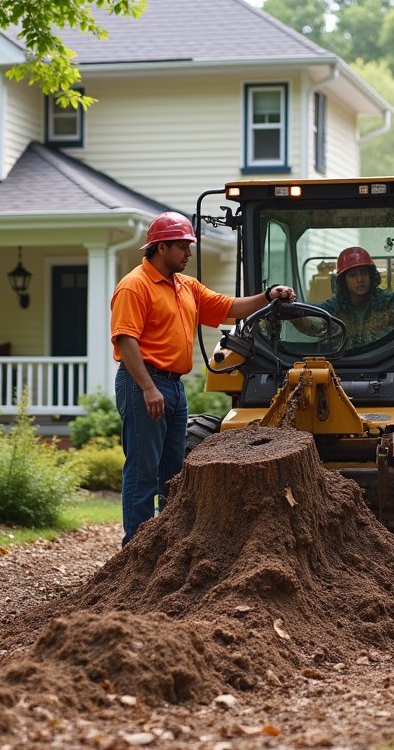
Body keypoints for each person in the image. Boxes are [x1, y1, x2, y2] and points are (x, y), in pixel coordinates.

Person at [110, 211, 296, 546]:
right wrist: (149, 388)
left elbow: (231, 308)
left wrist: (268, 297)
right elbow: (126, 339)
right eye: (182, 246)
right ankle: (135, 550)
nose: (188, 253)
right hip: (144, 384)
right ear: (161, 247)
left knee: (174, 474)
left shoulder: (186, 287)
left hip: (173, 386)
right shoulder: (135, 286)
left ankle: (164, 544)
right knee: (142, 471)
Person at [316, 246, 394, 349]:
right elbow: (314, 319)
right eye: (352, 275)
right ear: (343, 281)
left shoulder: (386, 301)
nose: (360, 279)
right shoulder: (335, 304)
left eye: (364, 273)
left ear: (371, 275)